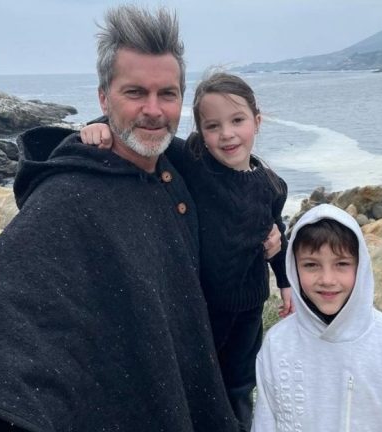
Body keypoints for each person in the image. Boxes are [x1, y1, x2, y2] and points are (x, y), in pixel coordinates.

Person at [0, 6, 239, 432]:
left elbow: (245, 185)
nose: (154, 109)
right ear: (104, 97)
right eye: (135, 92)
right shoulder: (68, 198)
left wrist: (273, 237)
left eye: (167, 94)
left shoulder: (177, 172)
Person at [75, 72, 294, 432]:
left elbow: (276, 232)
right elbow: (146, 131)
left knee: (239, 386)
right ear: (200, 133)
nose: (227, 134)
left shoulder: (273, 185)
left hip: (249, 309)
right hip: (201, 307)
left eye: (237, 121)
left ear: (257, 121)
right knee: (196, 383)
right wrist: (100, 126)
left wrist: (285, 281)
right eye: (213, 126)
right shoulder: (194, 162)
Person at [252, 204, 382, 432]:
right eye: (311, 265)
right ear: (294, 268)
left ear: (360, 267)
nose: (327, 279)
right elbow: (264, 423)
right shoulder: (277, 343)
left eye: (341, 264)